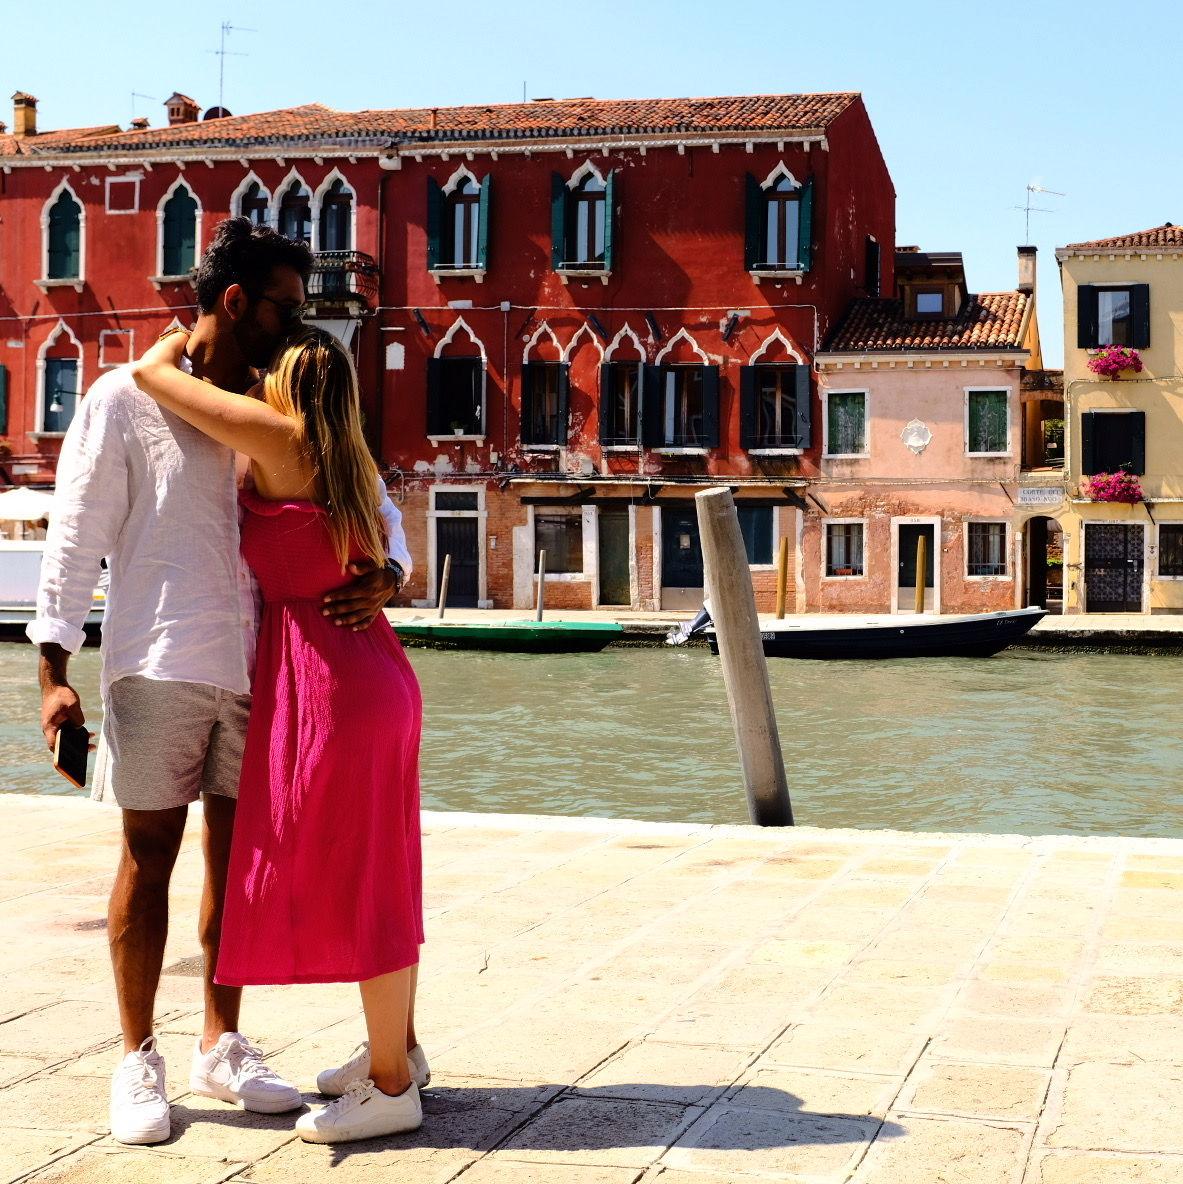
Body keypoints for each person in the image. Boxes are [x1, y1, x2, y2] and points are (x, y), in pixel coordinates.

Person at [29, 218, 416, 1146]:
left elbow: (378, 504)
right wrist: (53, 672)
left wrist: (390, 570)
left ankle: (222, 1041)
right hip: (157, 660)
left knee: (238, 863)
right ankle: (137, 1060)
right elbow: (74, 537)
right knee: (148, 856)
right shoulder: (121, 399)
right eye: (285, 306)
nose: (298, 326)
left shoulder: (277, 404)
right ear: (235, 300)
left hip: (262, 669)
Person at [130, 323, 425, 1145]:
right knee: (383, 871)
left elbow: (154, 376)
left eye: (268, 372)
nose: (254, 384)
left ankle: (393, 1088)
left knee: (365, 881)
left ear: (291, 384)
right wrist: (391, 574)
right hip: (372, 674)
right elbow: (390, 539)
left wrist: (179, 339)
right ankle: (398, 1050)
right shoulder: (347, 455)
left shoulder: (279, 435)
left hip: (332, 680)